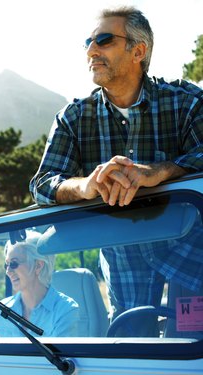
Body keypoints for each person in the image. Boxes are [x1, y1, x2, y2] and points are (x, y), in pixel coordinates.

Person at [29, 6, 203, 334]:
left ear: (138, 50)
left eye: (104, 40)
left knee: (194, 350)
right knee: (131, 355)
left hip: (193, 259)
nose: (91, 50)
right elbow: (42, 184)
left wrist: (164, 171)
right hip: (124, 269)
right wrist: (85, 187)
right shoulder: (73, 118)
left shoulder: (186, 103)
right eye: (88, 42)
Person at [0, 231, 80, 337]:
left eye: (14, 263)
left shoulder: (65, 310)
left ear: (38, 266)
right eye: (6, 265)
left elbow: (60, 353)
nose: (8, 271)